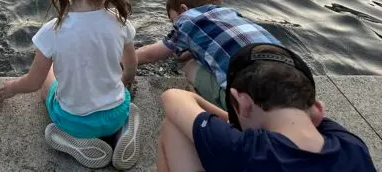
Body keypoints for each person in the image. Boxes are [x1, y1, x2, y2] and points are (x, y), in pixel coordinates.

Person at [0, 0, 140, 170]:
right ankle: (121, 132)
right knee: (117, 92)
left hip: (74, 122)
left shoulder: (52, 31)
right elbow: (131, 69)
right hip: (116, 112)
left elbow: (33, 83)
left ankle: (75, 140)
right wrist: (121, 85)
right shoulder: (120, 23)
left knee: (47, 80)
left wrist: (13, 88)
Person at [157, 43, 376, 172]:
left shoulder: (246, 149)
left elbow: (173, 97)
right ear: (317, 110)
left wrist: (225, 122)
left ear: (243, 103)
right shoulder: (353, 147)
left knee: (174, 127)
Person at [136, 0, 279, 110]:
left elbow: (150, 55)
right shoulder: (231, 14)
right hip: (287, 84)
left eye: (173, 20)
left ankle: (208, 105)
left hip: (250, 106)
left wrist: (122, 59)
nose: (175, 24)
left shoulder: (186, 20)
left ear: (183, 9)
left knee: (190, 67)